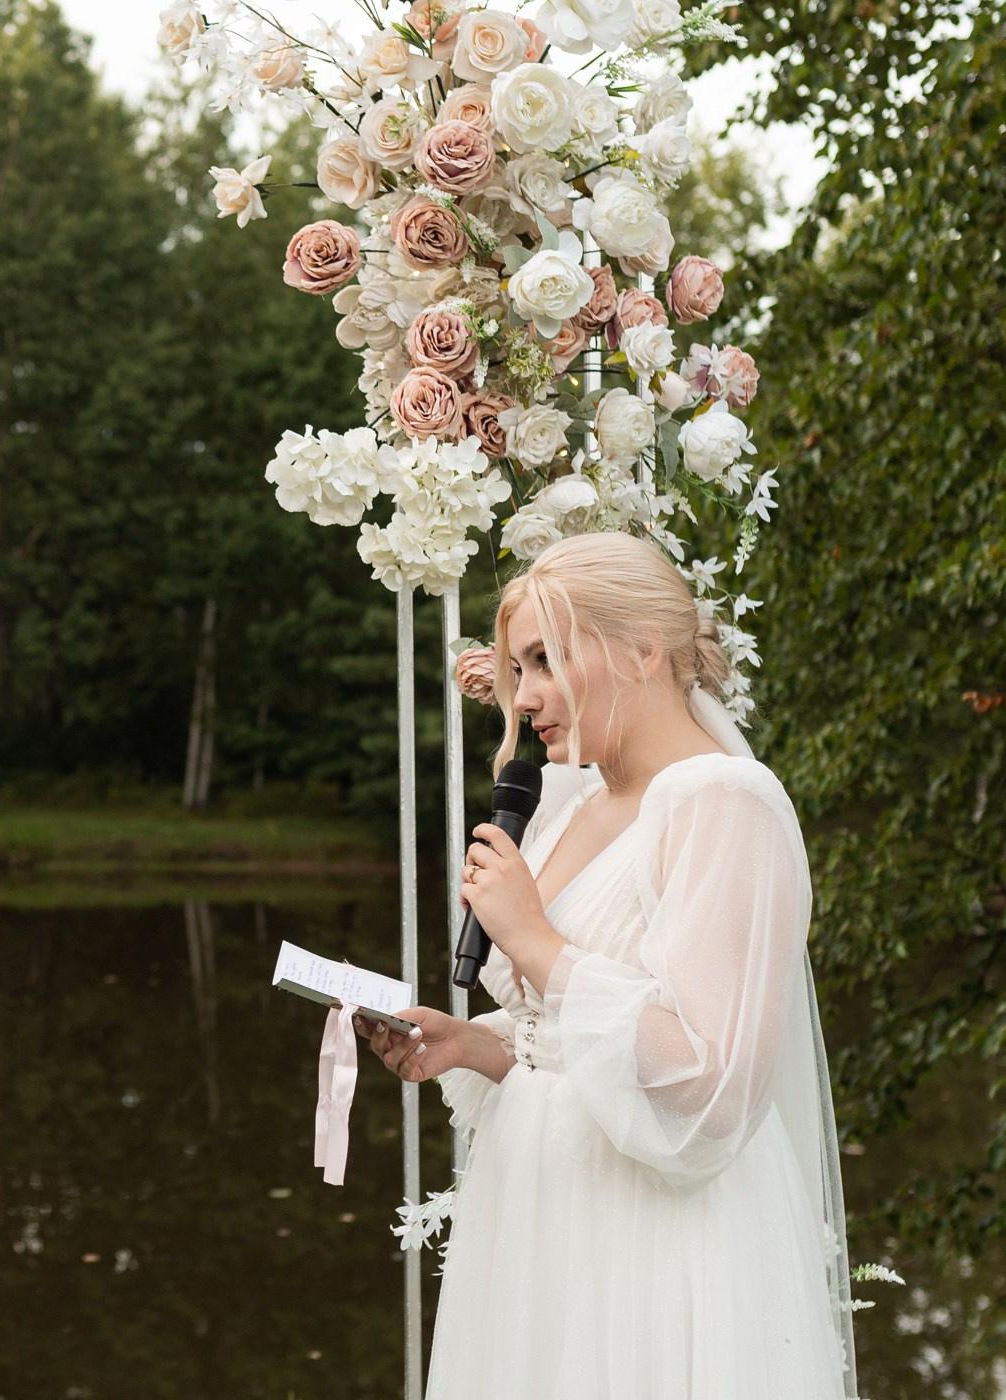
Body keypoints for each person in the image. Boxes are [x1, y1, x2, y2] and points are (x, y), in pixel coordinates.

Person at [364, 533, 856, 1398]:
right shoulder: (578, 800)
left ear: (642, 648)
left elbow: (709, 1087)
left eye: (547, 660)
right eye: (519, 671)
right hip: (537, 1213)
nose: (529, 697)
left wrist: (535, 940)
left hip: (651, 1236)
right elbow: (569, 1036)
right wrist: (474, 1046)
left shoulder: (723, 804)